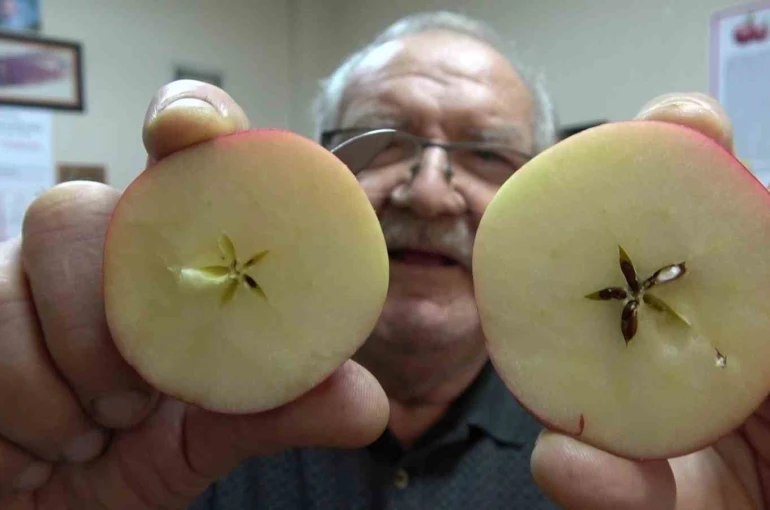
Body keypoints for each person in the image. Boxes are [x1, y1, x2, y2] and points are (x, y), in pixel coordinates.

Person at [0, 10, 762, 510]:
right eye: (385, 141)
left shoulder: (668, 464)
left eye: (489, 154)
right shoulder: (160, 420)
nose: (429, 193)